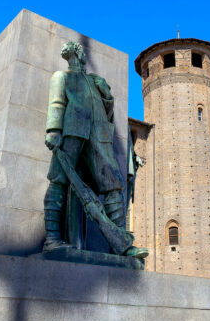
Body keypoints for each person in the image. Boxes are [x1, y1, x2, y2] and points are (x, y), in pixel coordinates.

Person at [43, 41, 147, 259]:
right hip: (72, 131)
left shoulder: (94, 81)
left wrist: (106, 92)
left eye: (77, 53)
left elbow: (108, 110)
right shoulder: (62, 77)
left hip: (99, 135)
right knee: (59, 180)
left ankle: (123, 245)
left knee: (112, 184)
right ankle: (52, 239)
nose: (76, 56)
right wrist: (53, 130)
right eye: (72, 52)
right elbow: (56, 103)